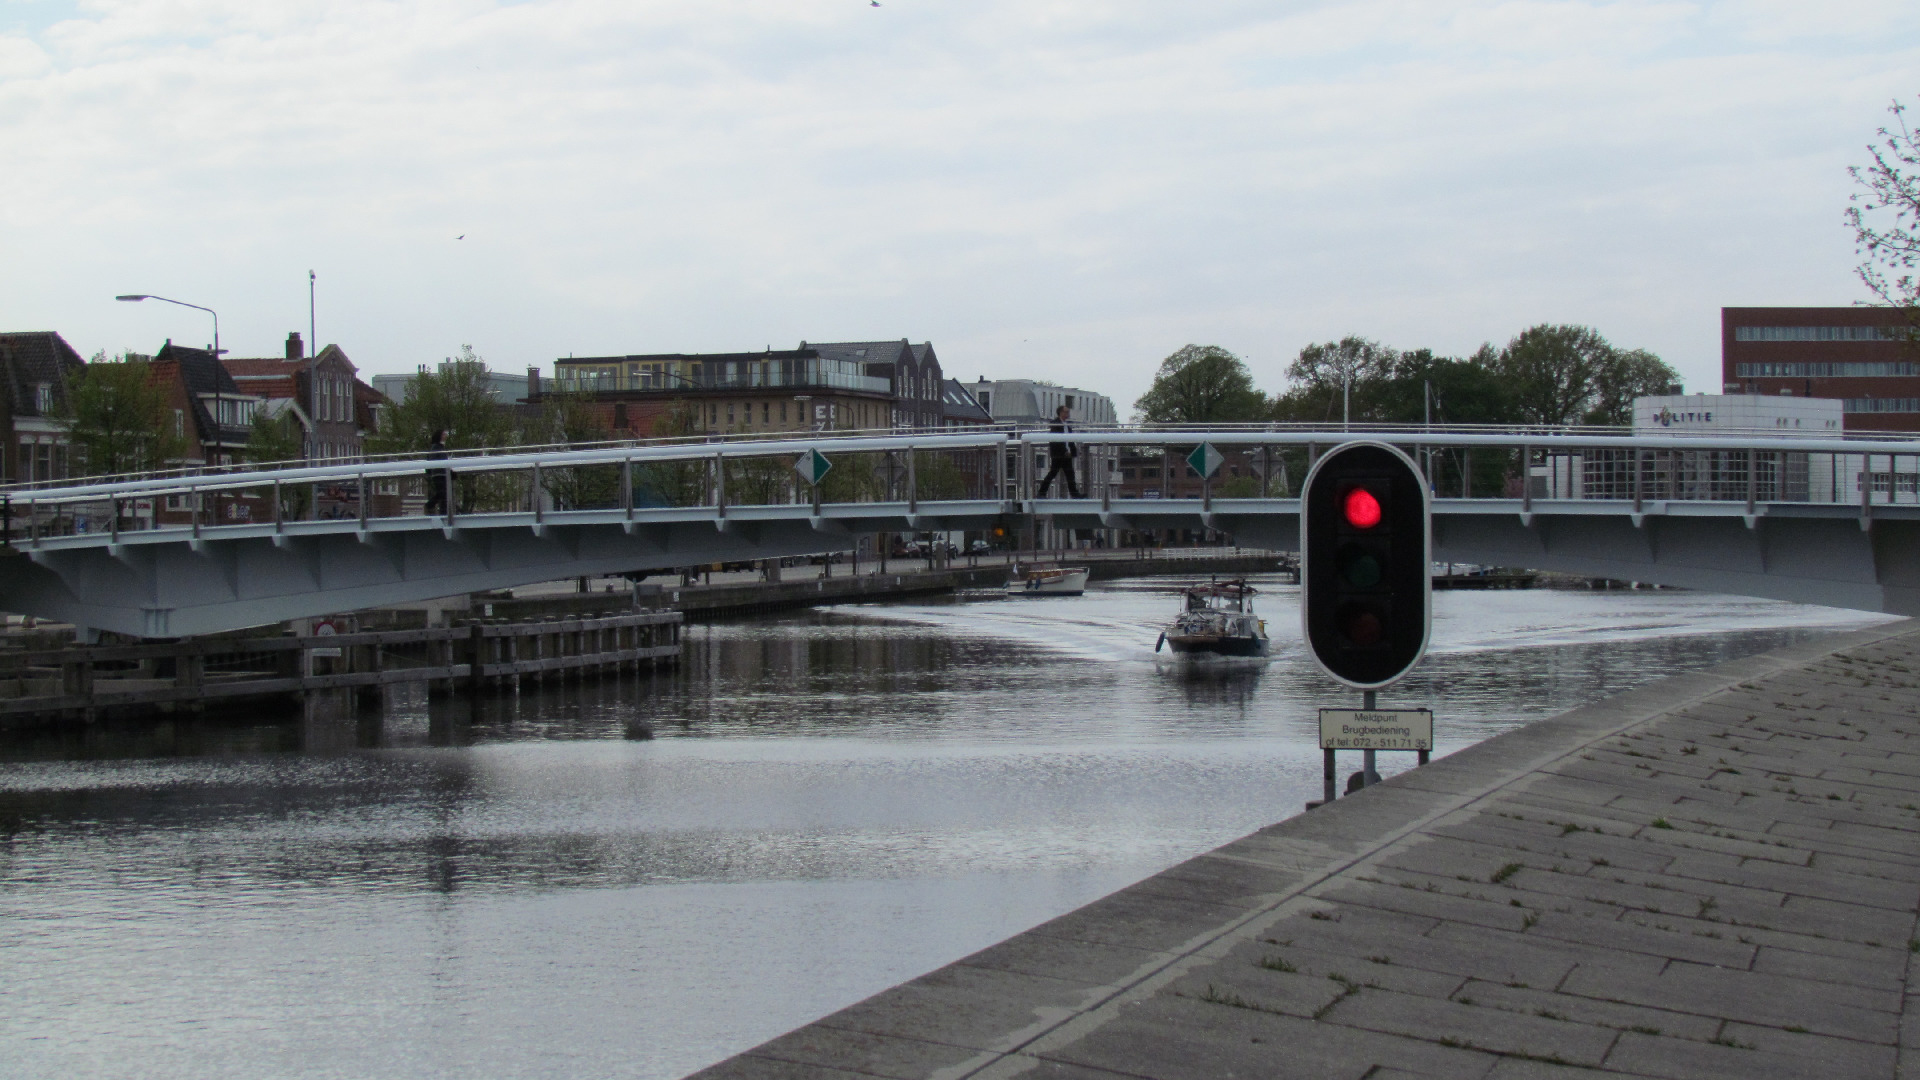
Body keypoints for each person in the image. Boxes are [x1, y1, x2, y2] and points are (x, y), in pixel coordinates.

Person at [1036, 405, 1082, 498]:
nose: (1068, 414)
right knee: (1053, 473)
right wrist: (1065, 451)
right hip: (1058, 454)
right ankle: (1041, 493)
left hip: (1066, 455)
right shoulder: (1055, 424)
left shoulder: (1067, 427)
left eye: (1068, 412)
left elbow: (1070, 440)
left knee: (1070, 474)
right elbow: (1056, 440)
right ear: (1060, 413)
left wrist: (1073, 452)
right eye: (1066, 412)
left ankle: (1075, 494)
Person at [423, 429, 450, 515]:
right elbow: (433, 460)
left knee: (444, 493)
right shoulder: (436, 447)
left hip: (442, 473)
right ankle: (430, 505)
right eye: (443, 434)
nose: (445, 436)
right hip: (438, 474)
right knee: (442, 492)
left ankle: (443, 511)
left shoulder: (440, 447)